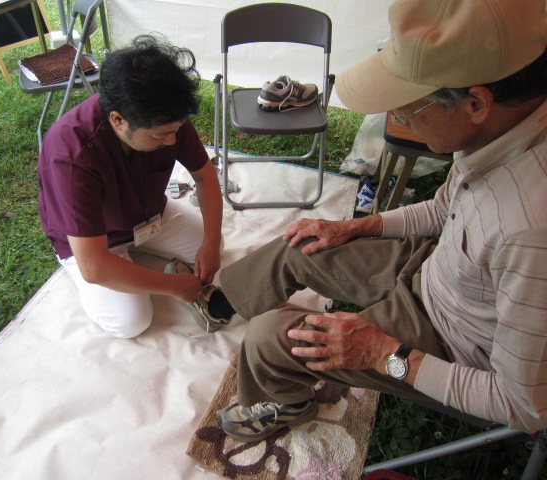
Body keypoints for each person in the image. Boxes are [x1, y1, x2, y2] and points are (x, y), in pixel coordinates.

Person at [215, 0, 547, 442]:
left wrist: (383, 353)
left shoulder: (531, 230)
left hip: (449, 340)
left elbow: (522, 405)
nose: (397, 120)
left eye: (406, 110)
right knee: (304, 241)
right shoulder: (501, 131)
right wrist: (356, 227)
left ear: (475, 103)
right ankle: (218, 304)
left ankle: (285, 404)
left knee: (270, 338)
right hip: (435, 269)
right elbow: (444, 209)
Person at [37, 34, 230, 339]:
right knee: (130, 323)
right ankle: (85, 265)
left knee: (215, 246)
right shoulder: (71, 154)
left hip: (151, 215)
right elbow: (94, 267)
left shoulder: (168, 117)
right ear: (118, 120)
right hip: (96, 243)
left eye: (176, 130)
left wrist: (209, 242)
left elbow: (205, 176)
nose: (172, 140)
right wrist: (173, 287)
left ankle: (149, 258)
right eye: (160, 136)